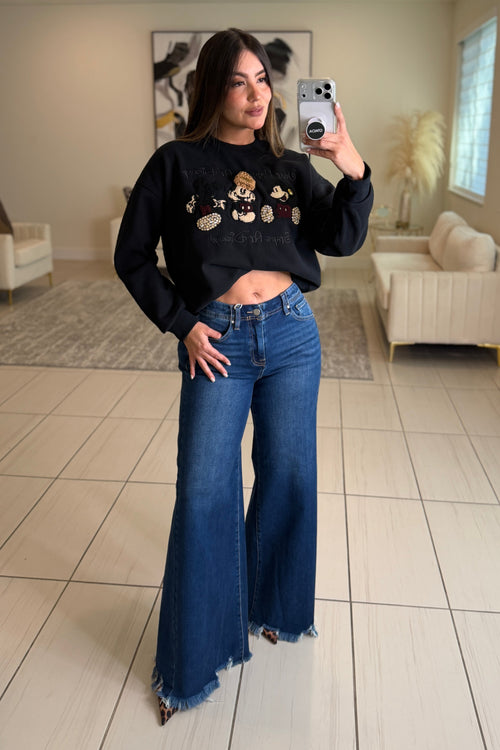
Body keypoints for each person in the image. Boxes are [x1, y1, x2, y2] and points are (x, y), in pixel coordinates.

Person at [114, 27, 373, 725]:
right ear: (212, 89)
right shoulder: (175, 163)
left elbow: (341, 237)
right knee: (204, 492)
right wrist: (182, 323)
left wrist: (350, 165)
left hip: (291, 334)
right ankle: (190, 664)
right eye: (239, 81)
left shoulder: (287, 165)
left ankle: (272, 608)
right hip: (217, 342)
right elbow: (131, 256)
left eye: (263, 80)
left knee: (288, 475)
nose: (257, 95)